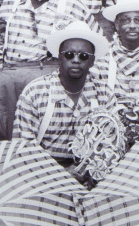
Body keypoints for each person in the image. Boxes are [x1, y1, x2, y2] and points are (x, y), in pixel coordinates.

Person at [0, 0, 85, 138]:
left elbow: (88, 45)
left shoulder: (71, 3)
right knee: (4, 136)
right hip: (9, 74)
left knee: (42, 136)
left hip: (46, 76)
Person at [12, 20, 118, 181]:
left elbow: (111, 146)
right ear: (58, 57)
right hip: (42, 175)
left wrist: (86, 172)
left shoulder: (104, 94)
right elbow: (23, 148)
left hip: (90, 176)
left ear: (92, 62)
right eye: (69, 55)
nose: (76, 60)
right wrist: (59, 175)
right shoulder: (35, 92)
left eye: (83, 56)